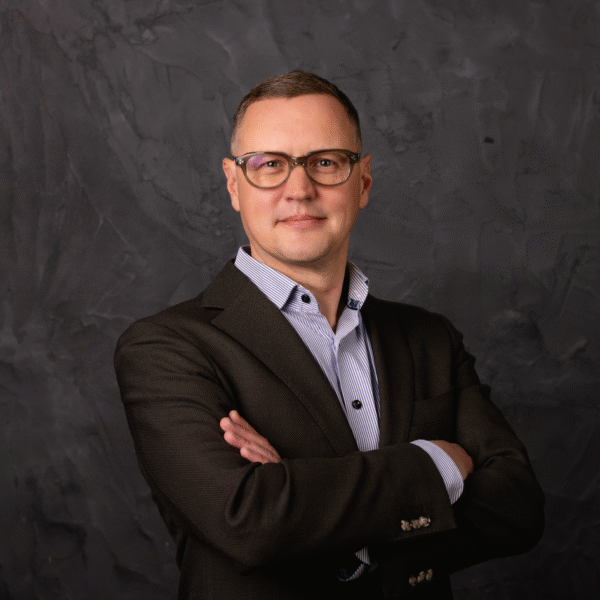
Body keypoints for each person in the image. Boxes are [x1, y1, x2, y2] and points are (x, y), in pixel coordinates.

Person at [114, 70, 544, 599]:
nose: (299, 190)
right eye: (269, 164)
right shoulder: (166, 349)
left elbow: (517, 508)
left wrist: (305, 502)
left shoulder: (429, 338)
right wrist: (436, 463)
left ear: (363, 182)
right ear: (233, 184)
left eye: (325, 162)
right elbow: (250, 520)